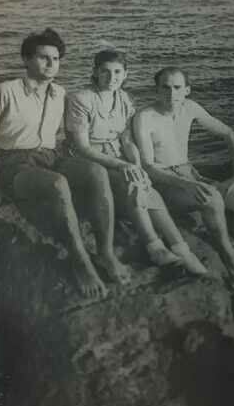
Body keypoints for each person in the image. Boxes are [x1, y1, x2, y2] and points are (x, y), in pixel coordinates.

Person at [0, 27, 108, 301]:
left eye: (56, 59)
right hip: (14, 163)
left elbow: (68, 137)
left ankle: (105, 253)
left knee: (97, 172)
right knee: (58, 184)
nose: (51, 64)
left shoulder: (60, 93)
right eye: (44, 57)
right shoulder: (4, 92)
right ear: (26, 59)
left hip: (51, 156)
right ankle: (80, 261)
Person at [65, 49, 208, 279]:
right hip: (87, 160)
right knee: (131, 184)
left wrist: (137, 163)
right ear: (95, 72)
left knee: (145, 183)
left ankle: (182, 249)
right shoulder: (81, 99)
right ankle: (155, 247)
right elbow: (82, 147)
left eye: (117, 72)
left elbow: (127, 139)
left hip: (117, 154)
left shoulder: (125, 99)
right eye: (105, 72)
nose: (112, 78)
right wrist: (124, 167)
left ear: (125, 74)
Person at [133, 67, 234, 290]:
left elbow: (231, 135)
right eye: (165, 87)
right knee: (212, 198)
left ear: (187, 91)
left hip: (189, 173)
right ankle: (230, 258)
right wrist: (186, 184)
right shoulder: (145, 117)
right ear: (156, 90)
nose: (171, 93)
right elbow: (148, 166)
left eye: (177, 87)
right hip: (165, 182)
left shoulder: (189, 108)